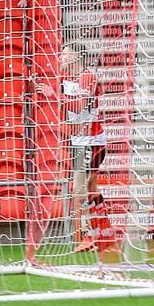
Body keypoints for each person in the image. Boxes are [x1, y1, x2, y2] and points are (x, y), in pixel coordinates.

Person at [38, 42, 114, 255]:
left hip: (92, 140)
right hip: (79, 140)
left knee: (78, 189)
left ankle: (90, 234)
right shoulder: (65, 79)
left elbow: (78, 106)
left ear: (77, 56)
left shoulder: (88, 77)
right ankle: (104, 234)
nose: (60, 57)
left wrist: (52, 95)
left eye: (64, 54)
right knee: (89, 188)